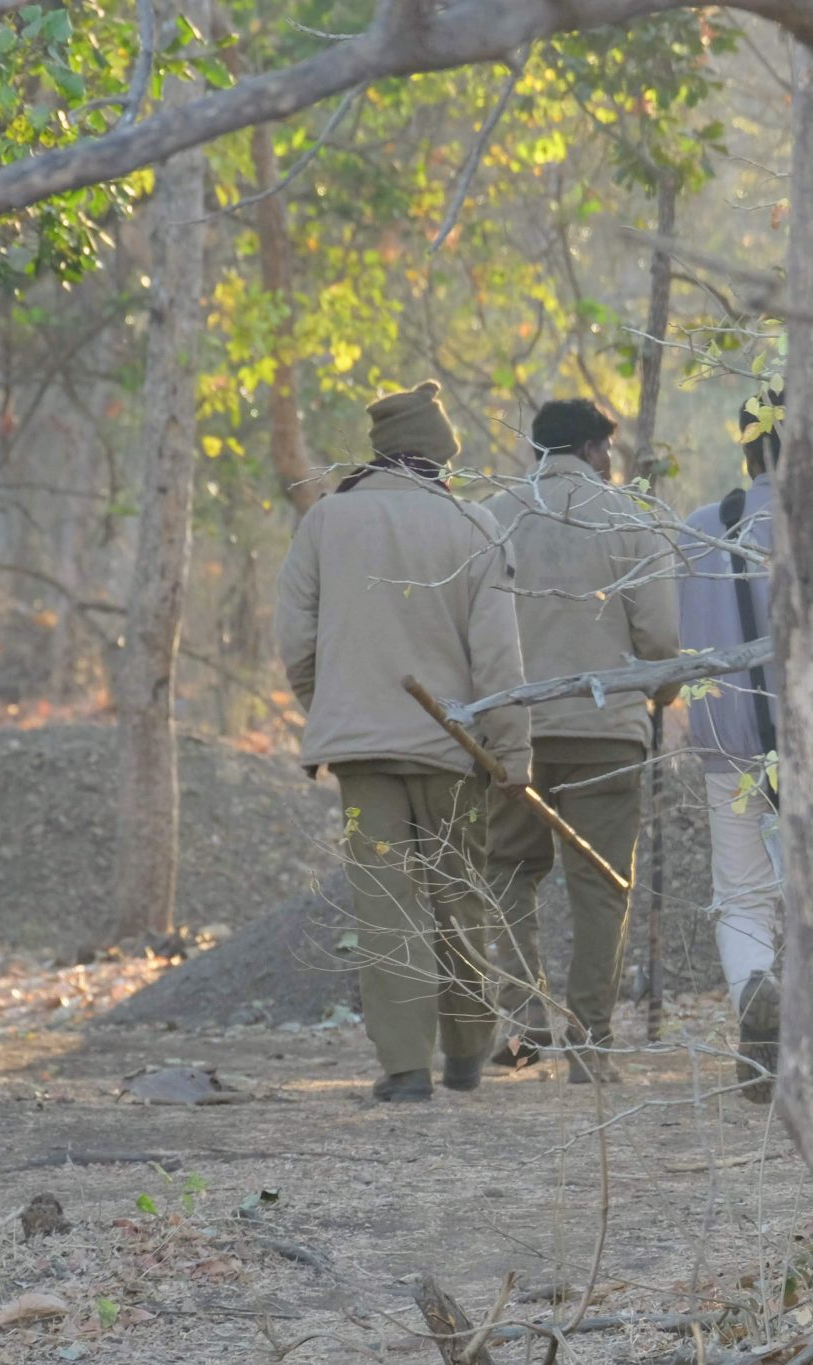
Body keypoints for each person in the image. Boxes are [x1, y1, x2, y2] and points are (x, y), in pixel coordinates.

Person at [275, 381, 531, 1103]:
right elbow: (500, 661)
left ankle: (407, 1069)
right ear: (440, 455)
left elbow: (293, 634)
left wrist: (332, 700)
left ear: (383, 449)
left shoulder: (329, 520)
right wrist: (512, 755)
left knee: (386, 902)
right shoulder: (475, 526)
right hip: (456, 753)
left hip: (364, 761)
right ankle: (467, 1056)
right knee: (459, 894)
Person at [481, 399, 679, 1083]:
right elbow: (658, 640)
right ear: (596, 450)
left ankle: (525, 1016)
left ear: (539, 449)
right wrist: (661, 694)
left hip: (514, 732)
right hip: (605, 732)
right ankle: (591, 1040)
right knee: (601, 889)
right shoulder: (632, 518)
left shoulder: (492, 516)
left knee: (507, 872)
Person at [677, 389, 783, 1102]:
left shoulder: (699, 528)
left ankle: (755, 992)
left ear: (745, 446)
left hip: (725, 742)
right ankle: (811, 1037)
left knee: (742, 897)